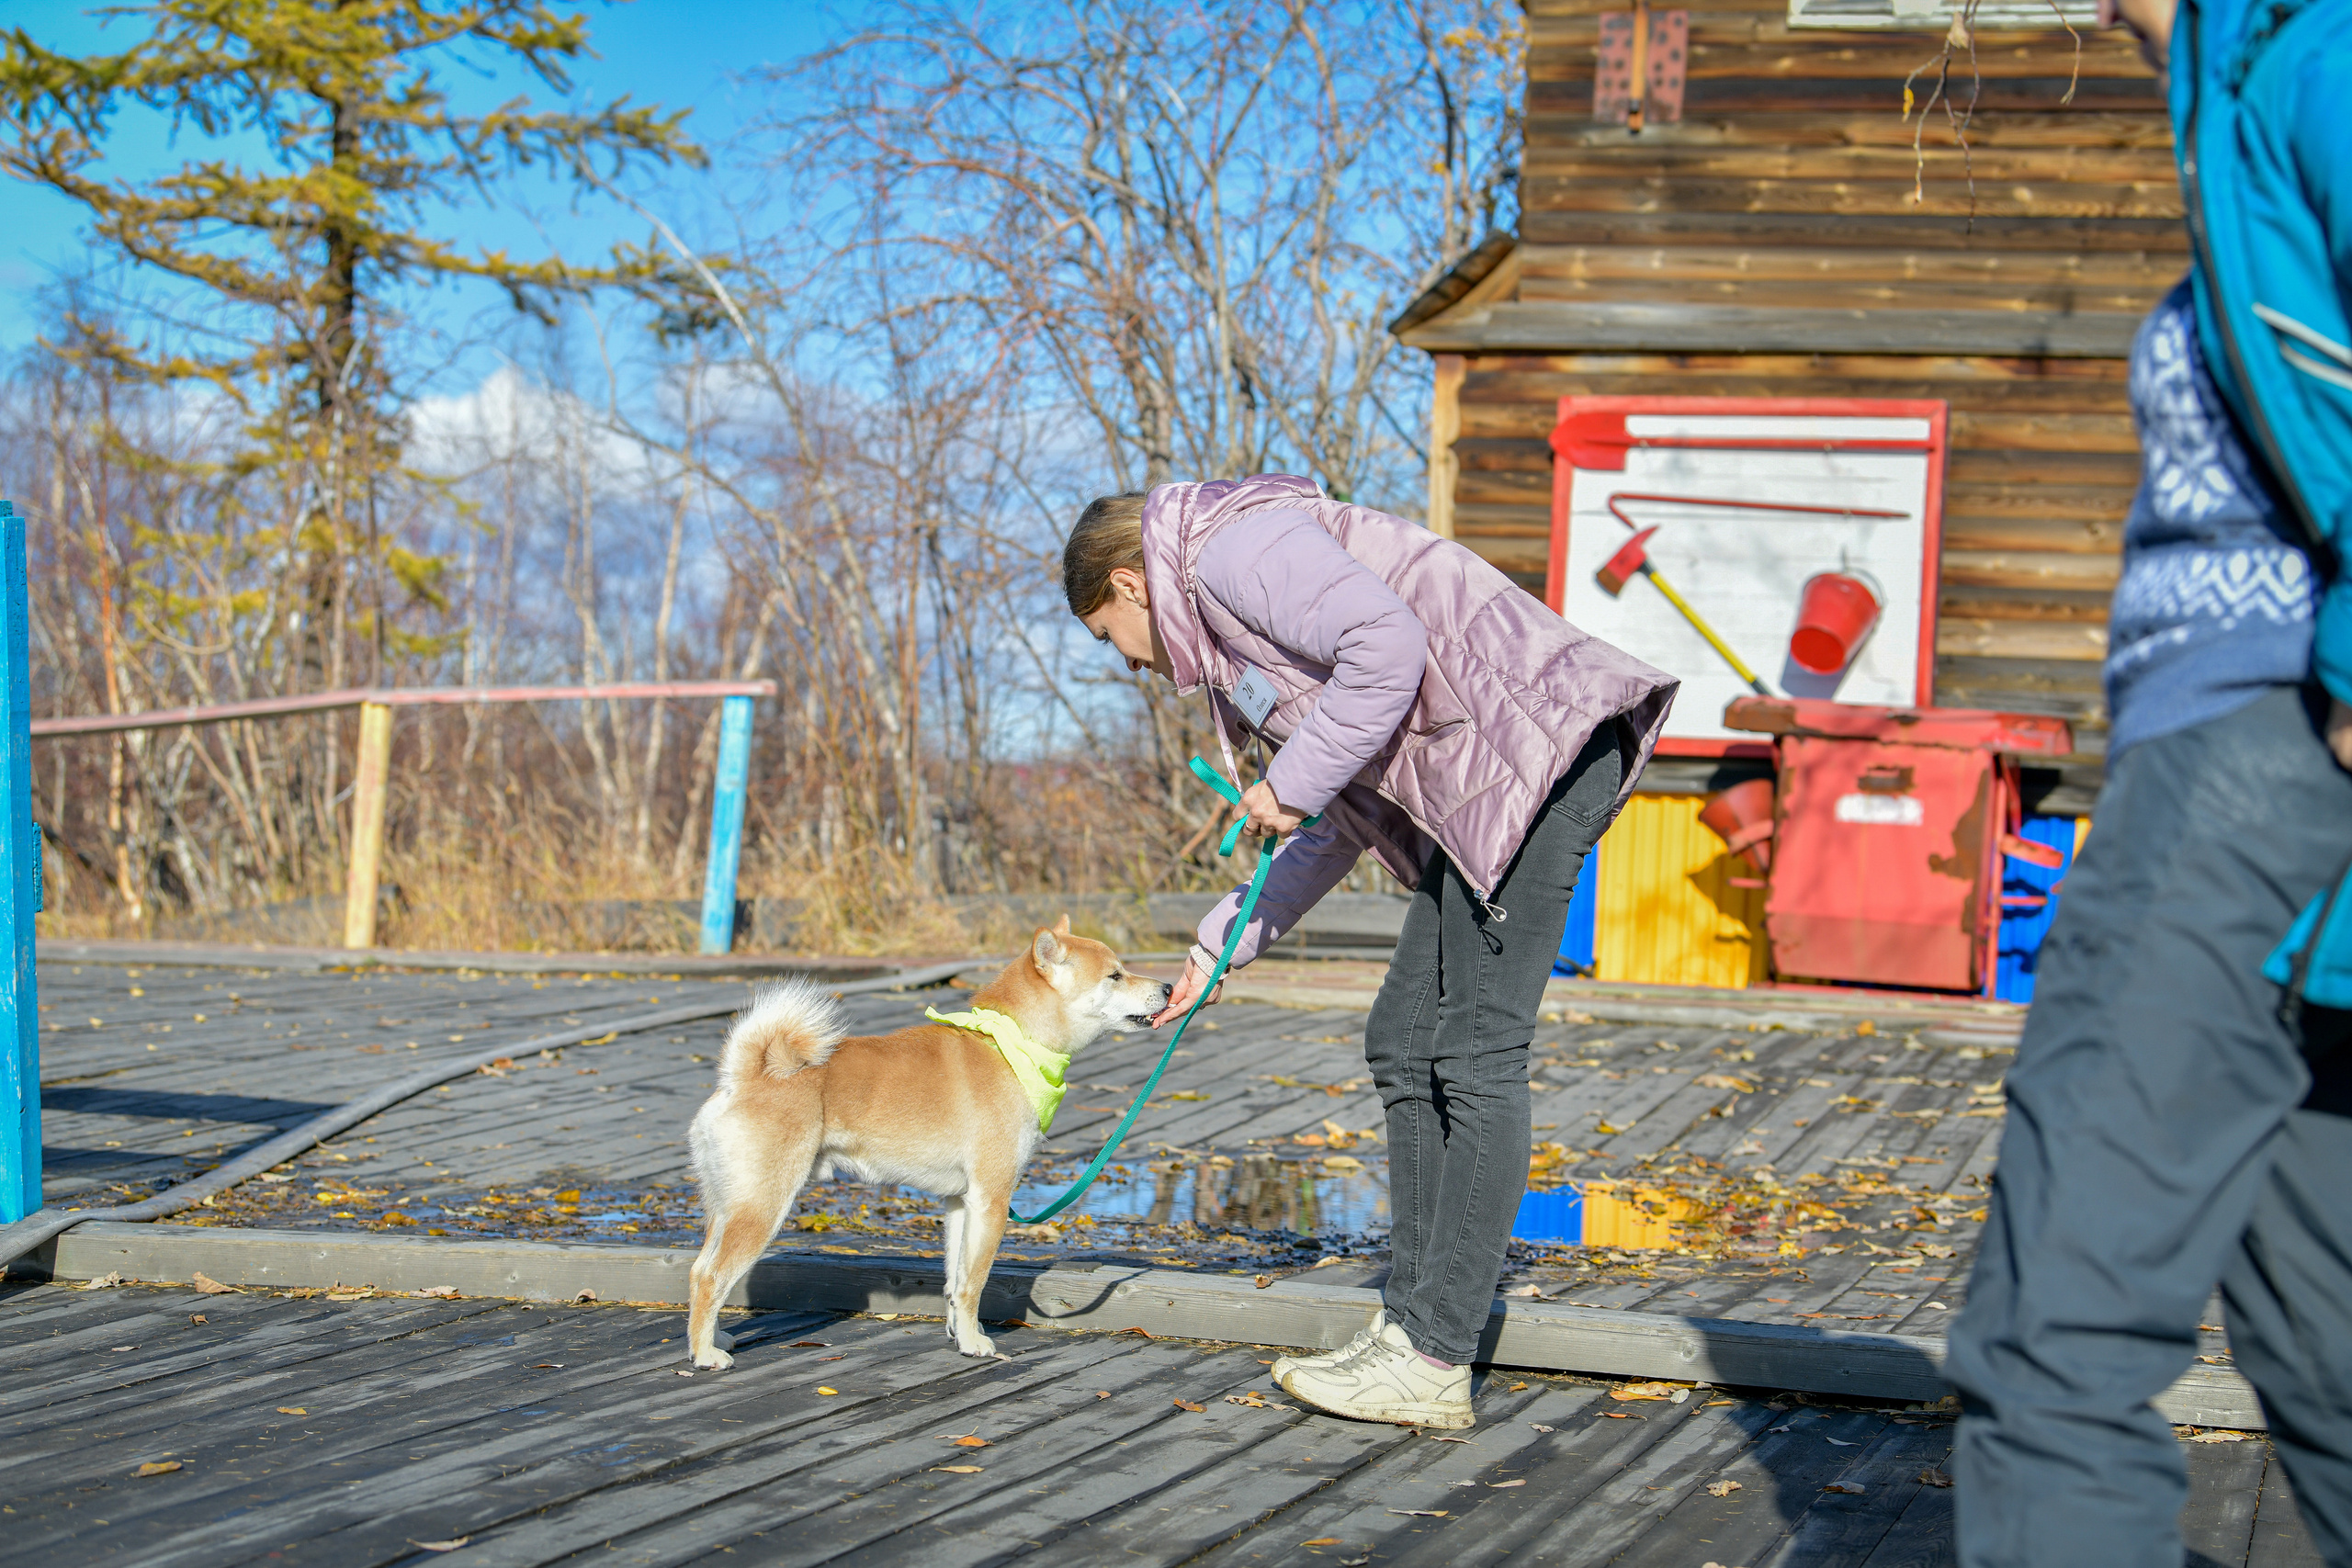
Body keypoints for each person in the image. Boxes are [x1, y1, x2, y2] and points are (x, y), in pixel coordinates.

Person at [1945, 0, 2352, 1561]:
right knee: (2325, 1338)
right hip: (2280, 781)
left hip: (2257, 752)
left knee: (2057, 1337)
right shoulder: (2244, 90)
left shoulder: (2304, 58)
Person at [1063, 475, 1674, 1427]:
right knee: (1404, 1037)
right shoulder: (1230, 635)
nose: (1131, 664)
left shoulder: (1228, 551)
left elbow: (1387, 647)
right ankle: (1408, 1326)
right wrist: (1218, 948)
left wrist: (1288, 784)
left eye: (1110, 635)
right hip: (1489, 781)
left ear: (1131, 584)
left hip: (1533, 754)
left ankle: (1433, 1356)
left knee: (1475, 1051)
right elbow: (1331, 820)